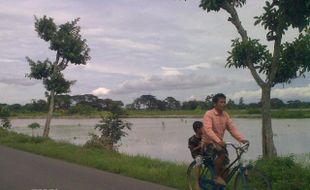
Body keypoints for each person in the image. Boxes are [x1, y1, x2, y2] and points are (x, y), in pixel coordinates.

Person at [202, 93, 248, 186]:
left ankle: (219, 185)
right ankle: (216, 177)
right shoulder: (209, 114)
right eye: (221, 102)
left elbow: (232, 129)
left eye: (224, 102)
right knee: (221, 154)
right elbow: (208, 130)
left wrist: (242, 140)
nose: (223, 104)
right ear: (214, 104)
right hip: (208, 143)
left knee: (227, 166)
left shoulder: (225, 115)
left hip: (220, 144)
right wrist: (218, 141)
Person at [188, 121, 203, 190]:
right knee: (199, 160)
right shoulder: (191, 139)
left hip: (204, 153)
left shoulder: (205, 138)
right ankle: (196, 183)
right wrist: (199, 146)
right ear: (198, 129)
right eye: (202, 128)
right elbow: (192, 150)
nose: (204, 129)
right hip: (196, 154)